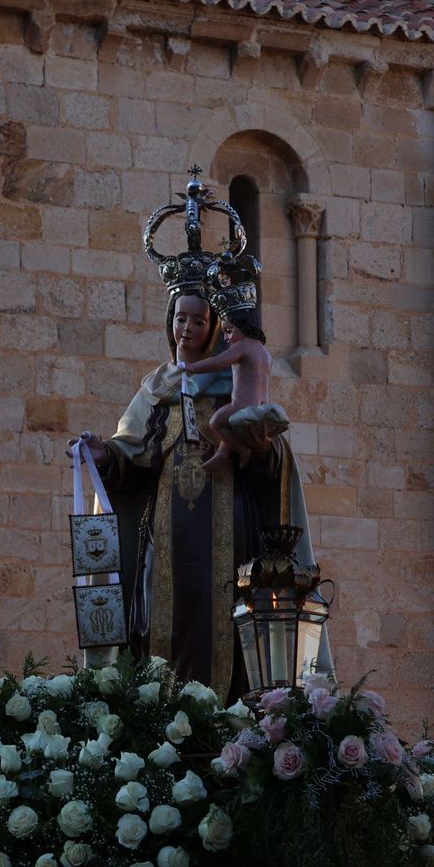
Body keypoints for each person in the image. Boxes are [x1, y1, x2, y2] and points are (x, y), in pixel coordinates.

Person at [69, 286, 299, 696]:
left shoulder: (234, 380)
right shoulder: (156, 388)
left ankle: (226, 711)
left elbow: (270, 457)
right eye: (180, 318)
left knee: (224, 615)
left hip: (230, 531)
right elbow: (131, 453)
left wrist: (261, 444)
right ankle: (160, 712)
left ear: (214, 328)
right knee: (157, 614)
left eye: (198, 321)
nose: (186, 329)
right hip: (166, 532)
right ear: (169, 322)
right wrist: (102, 452)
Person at [179, 305, 285, 472]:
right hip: (263, 406)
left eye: (229, 331)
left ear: (243, 326)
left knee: (216, 423)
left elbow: (219, 362)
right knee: (231, 429)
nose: (226, 337)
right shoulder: (265, 352)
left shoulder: (242, 346)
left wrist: (192, 367)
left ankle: (242, 450)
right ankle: (222, 454)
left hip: (243, 406)